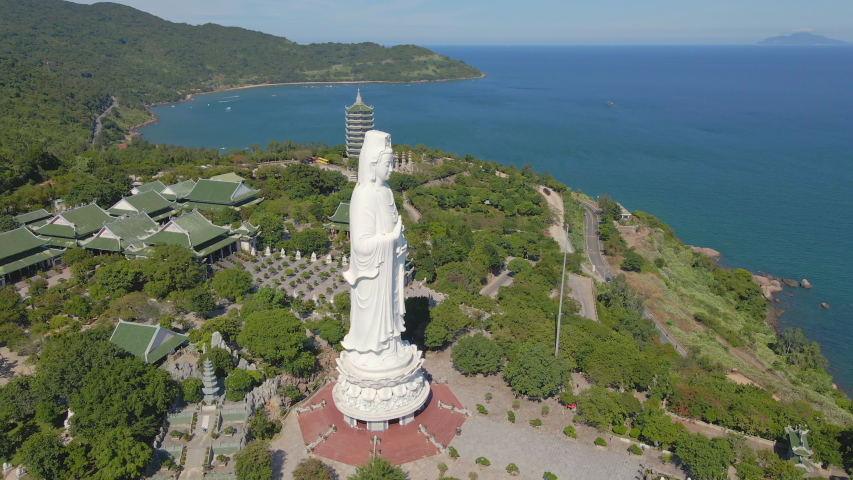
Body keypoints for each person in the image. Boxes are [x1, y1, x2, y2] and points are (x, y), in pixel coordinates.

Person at [341, 130, 408, 355]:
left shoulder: (386, 190)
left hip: (390, 267)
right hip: (373, 274)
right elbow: (361, 245)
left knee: (391, 310)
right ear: (372, 164)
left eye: (392, 163)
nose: (392, 169)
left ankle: (391, 346)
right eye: (387, 164)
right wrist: (391, 238)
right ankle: (372, 351)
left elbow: (393, 227)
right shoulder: (364, 195)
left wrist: (400, 241)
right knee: (373, 319)